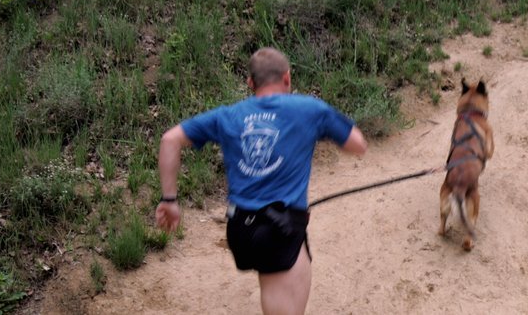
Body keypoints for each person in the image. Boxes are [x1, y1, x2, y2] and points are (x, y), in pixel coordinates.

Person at [154, 47, 368, 315]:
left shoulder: (227, 115)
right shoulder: (309, 109)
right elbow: (358, 145)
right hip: (278, 231)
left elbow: (170, 139)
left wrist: (170, 200)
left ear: (251, 83)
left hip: (240, 230)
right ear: (287, 78)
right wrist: (317, 130)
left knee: (291, 268)